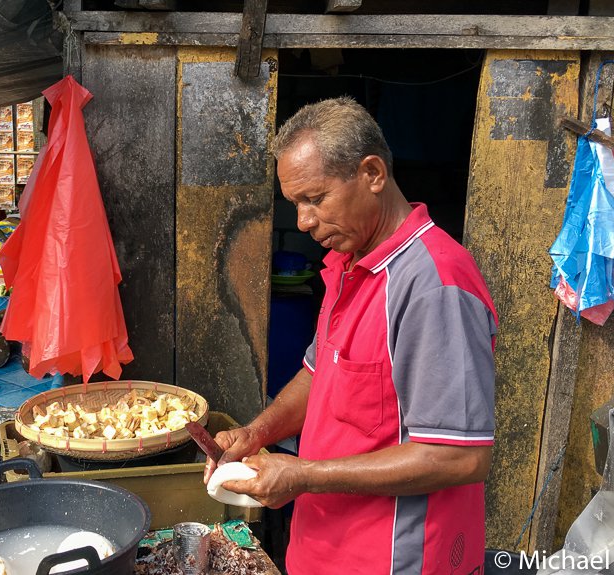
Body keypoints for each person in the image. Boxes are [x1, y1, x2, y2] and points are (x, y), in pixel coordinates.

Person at [206, 98, 497, 574]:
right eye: (295, 203)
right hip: (325, 547)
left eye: (316, 199)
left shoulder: (434, 285)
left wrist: (303, 475)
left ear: (373, 173)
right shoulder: (351, 265)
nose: (302, 221)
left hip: (392, 558)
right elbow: (319, 374)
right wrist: (256, 433)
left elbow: (458, 458)